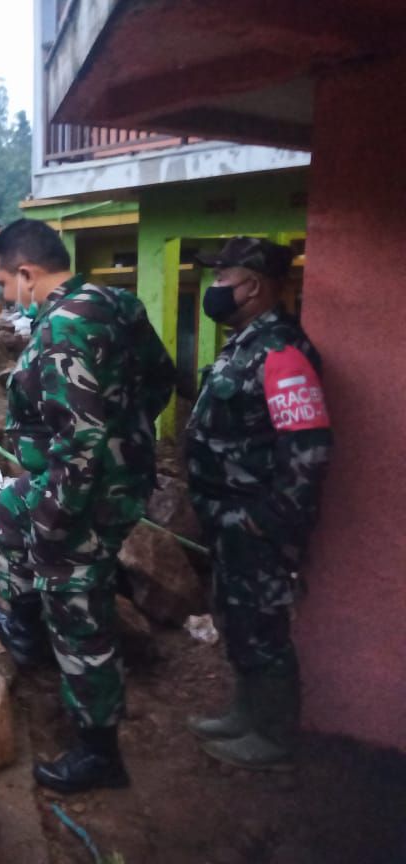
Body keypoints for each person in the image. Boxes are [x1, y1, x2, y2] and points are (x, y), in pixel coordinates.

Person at [0, 218, 175, 794]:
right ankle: (25, 629)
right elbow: (161, 379)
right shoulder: (116, 304)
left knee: (78, 608)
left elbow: (83, 441)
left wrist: (55, 522)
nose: (1, 296)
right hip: (112, 478)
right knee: (8, 508)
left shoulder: (64, 328)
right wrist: (131, 436)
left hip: (86, 493)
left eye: (0, 285)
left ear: (26, 273)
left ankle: (99, 752)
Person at [185, 237, 332, 770]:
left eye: (221, 279)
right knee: (238, 619)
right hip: (229, 520)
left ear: (252, 284)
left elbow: (308, 449)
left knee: (264, 627)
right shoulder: (247, 343)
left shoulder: (282, 353)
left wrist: (265, 520)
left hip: (256, 524)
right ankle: (244, 713)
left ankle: (271, 736)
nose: (214, 289)